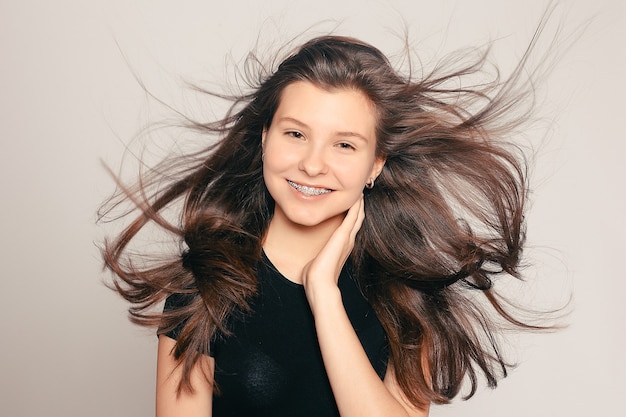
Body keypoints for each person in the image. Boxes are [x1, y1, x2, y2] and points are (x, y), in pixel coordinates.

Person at [101, 29, 555, 417]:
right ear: (265, 138)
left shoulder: (408, 296)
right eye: (296, 134)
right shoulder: (205, 285)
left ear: (375, 164)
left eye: (344, 145)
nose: (313, 165)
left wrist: (324, 294)